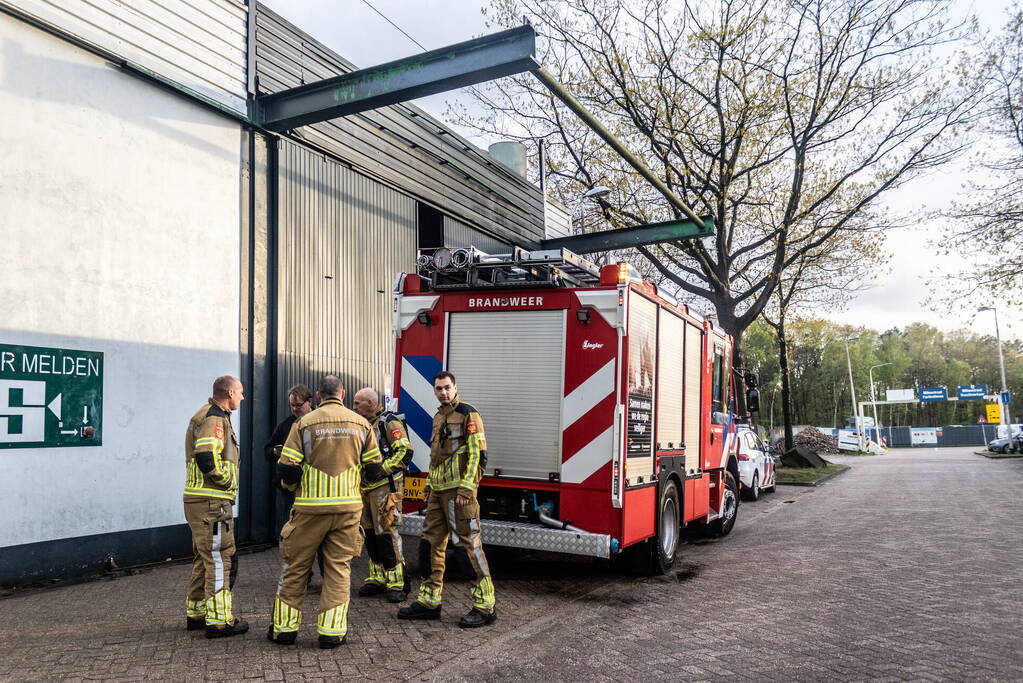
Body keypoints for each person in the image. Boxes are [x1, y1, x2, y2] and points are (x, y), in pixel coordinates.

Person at [267, 375, 383, 649]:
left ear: (318, 396)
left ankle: (284, 630)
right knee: (338, 569)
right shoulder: (362, 424)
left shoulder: (303, 423)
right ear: (343, 394)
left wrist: (290, 487)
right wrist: (357, 485)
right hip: (347, 510)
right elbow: (374, 469)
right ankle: (331, 633)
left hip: (310, 509)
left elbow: (288, 468)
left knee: (296, 567)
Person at [397, 371, 496, 628]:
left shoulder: (467, 414)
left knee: (467, 548)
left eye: (447, 387)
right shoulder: (439, 416)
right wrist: (429, 486)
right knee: (429, 545)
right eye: (439, 388)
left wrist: (467, 489)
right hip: (438, 493)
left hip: (459, 494)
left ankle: (485, 606)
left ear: (455, 387)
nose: (443, 392)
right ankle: (429, 602)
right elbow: (436, 457)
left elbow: (477, 454)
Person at [183, 375, 249, 638]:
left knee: (204, 558)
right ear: (230, 393)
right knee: (220, 557)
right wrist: (226, 480)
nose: (242, 397)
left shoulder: (210, 415)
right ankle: (220, 621)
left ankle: (197, 613)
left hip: (201, 500)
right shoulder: (214, 418)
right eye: (240, 392)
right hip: (211, 502)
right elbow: (206, 458)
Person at [352, 387, 413, 603]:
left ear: (370, 403)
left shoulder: (388, 422)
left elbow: (405, 452)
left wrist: (381, 470)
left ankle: (398, 583)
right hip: (365, 489)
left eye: (357, 403)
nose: (354, 407)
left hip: (385, 489)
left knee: (387, 535)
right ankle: (377, 578)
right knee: (370, 536)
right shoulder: (361, 423)